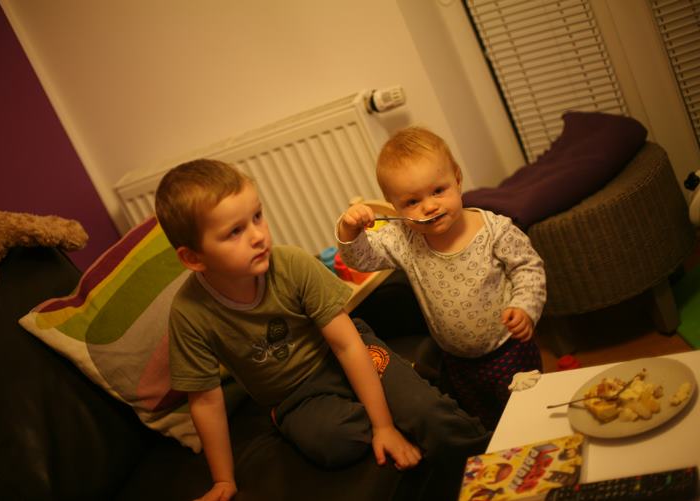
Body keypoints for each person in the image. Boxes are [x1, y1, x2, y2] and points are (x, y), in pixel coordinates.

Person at [155, 158, 490, 501]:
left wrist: (384, 426)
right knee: (334, 442)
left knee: (424, 411)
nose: (257, 236)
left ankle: (489, 460)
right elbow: (206, 402)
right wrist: (223, 480)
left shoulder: (292, 264)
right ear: (194, 258)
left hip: (346, 351)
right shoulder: (188, 314)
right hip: (294, 396)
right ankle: (399, 391)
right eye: (234, 232)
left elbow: (347, 345)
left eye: (257, 217)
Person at [336, 126, 546, 430]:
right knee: (485, 425)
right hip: (457, 361)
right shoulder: (404, 239)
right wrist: (349, 229)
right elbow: (361, 259)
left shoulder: (495, 231)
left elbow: (528, 268)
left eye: (438, 191)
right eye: (412, 202)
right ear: (394, 205)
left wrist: (525, 306)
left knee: (529, 417)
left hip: (509, 348)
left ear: (457, 180)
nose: (429, 206)